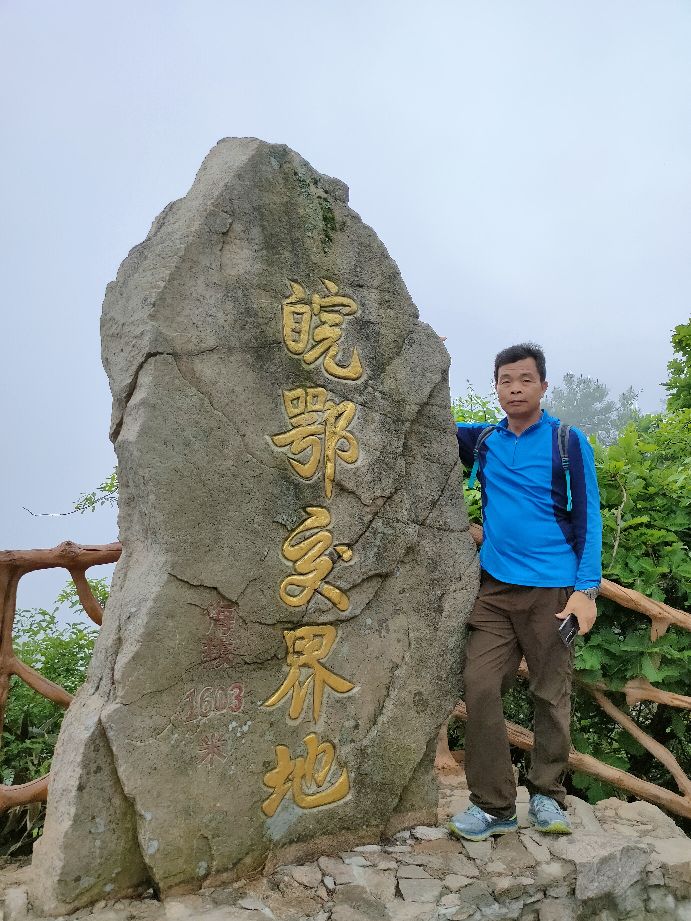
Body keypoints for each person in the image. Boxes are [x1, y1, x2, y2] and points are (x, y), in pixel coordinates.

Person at [448, 342, 602, 841]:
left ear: (542, 385)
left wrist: (586, 590)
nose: (514, 388)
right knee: (480, 685)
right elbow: (430, 431)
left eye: (524, 380)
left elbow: (590, 519)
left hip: (552, 592)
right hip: (493, 589)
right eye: (505, 381)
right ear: (495, 387)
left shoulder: (566, 441)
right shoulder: (486, 441)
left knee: (550, 693)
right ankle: (493, 805)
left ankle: (546, 794)